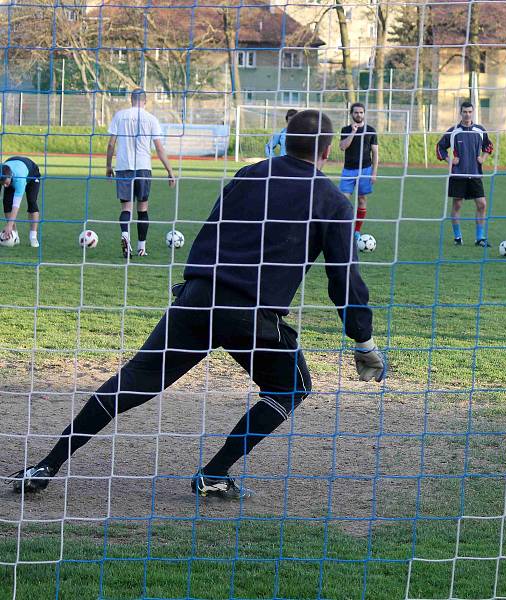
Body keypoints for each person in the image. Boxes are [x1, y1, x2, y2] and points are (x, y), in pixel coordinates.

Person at [9, 110, 386, 500]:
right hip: (251, 316)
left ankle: (47, 464)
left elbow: (212, 229)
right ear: (328, 150)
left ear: (286, 140)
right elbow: (343, 281)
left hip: (198, 297)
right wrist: (363, 341)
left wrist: (194, 283)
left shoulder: (249, 174)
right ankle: (214, 473)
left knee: (132, 382)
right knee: (292, 387)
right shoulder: (333, 201)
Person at [106, 88, 176, 259]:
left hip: (123, 167)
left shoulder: (120, 116)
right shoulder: (151, 119)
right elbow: (159, 148)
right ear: (145, 101)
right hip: (143, 168)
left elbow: (111, 144)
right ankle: (141, 248)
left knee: (126, 208)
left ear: (131, 100)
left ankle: (125, 235)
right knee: (143, 208)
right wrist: (170, 171)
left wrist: (108, 166)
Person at [436, 101, 494, 247]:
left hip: (475, 174)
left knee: (482, 204)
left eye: (469, 112)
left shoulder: (480, 130)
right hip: (458, 175)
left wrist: (483, 158)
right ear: (460, 113)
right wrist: (450, 161)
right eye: (464, 112)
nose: (467, 114)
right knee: (457, 205)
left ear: (472, 112)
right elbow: (439, 147)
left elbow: (489, 145)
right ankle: (458, 238)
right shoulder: (454, 131)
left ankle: (480, 238)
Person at [339, 103, 378, 240]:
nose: (359, 115)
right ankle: (344, 228)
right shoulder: (345, 129)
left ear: (364, 114)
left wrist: (374, 173)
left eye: (361, 112)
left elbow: (375, 154)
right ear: (351, 114)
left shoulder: (371, 130)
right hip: (348, 170)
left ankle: (356, 231)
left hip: (365, 170)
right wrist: (353, 132)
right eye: (356, 112)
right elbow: (343, 147)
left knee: (362, 199)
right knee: (343, 201)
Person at [0, 156, 42, 248]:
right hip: (12, 166)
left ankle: (33, 236)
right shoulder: (3, 177)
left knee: (32, 202)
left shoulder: (19, 178)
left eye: (6, 183)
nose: (5, 186)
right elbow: (6, 184)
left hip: (32, 174)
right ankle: (14, 234)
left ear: (10, 176)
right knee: (6, 203)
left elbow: (16, 204)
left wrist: (9, 224)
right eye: (2, 184)